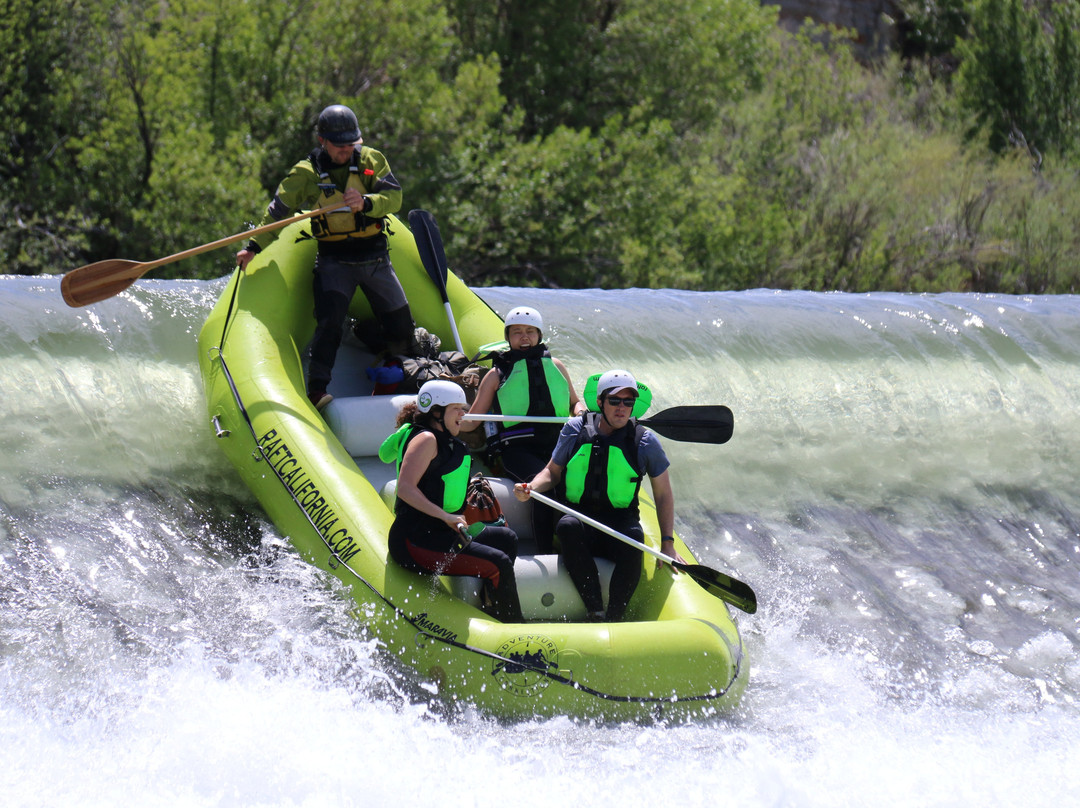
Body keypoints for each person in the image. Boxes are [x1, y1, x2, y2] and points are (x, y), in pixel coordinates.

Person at [236, 104, 413, 411]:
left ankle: (395, 370)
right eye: (339, 146)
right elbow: (278, 213)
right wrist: (253, 247)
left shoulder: (371, 161)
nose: (346, 151)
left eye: (350, 145)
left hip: (374, 257)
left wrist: (367, 202)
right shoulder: (305, 173)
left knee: (401, 322)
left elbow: (394, 197)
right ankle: (317, 390)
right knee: (329, 323)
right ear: (323, 142)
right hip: (334, 261)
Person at [513, 369, 686, 622]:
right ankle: (595, 610)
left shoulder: (646, 441)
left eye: (628, 402)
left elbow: (662, 494)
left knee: (635, 538)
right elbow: (552, 472)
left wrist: (667, 543)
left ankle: (616, 616)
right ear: (601, 402)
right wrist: (532, 487)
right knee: (567, 525)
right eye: (615, 401)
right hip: (579, 518)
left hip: (618, 523)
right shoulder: (575, 429)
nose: (622, 408)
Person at [380, 379, 522, 622]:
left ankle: (492, 608)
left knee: (506, 539)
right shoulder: (427, 439)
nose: (463, 414)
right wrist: (446, 517)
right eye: (456, 408)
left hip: (442, 534)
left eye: (463, 408)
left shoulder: (444, 440)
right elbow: (404, 488)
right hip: (415, 540)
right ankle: (513, 630)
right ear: (436, 412)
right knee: (497, 563)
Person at [459, 306, 586, 553]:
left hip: (557, 446)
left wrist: (581, 412)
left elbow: (574, 402)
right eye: (517, 332)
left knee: (573, 486)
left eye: (530, 331)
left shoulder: (556, 366)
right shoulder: (497, 375)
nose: (524, 337)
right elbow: (473, 419)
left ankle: (574, 543)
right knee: (543, 486)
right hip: (517, 449)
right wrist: (446, 420)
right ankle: (545, 550)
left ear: (539, 335)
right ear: (508, 337)